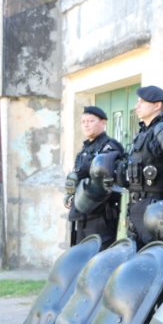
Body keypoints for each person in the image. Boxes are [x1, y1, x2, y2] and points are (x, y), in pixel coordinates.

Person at [116, 85, 163, 290]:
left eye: (142, 102)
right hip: (137, 208)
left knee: (161, 267)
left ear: (157, 105)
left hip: (155, 210)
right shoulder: (143, 132)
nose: (136, 106)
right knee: (140, 266)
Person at [64, 105, 124, 250]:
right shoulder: (84, 149)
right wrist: (70, 195)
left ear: (103, 123)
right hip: (82, 214)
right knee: (80, 255)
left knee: (98, 257)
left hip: (101, 215)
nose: (86, 125)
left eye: (91, 121)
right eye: (83, 122)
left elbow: (108, 178)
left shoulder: (110, 147)